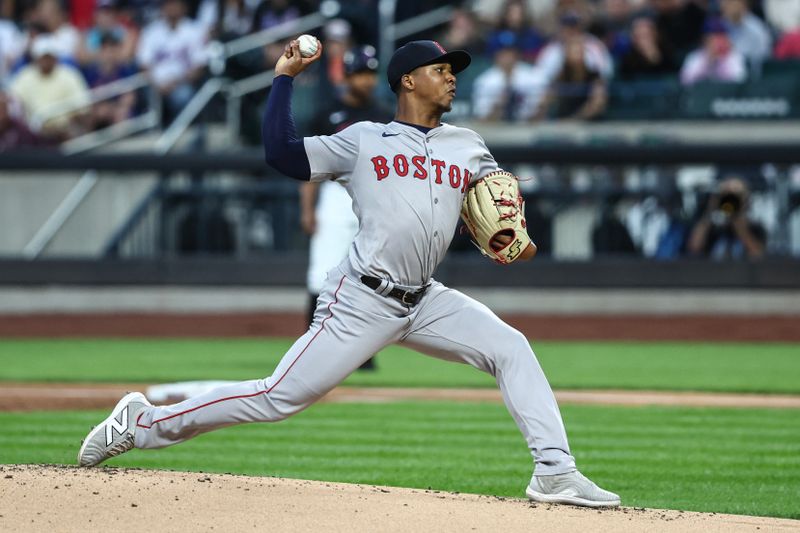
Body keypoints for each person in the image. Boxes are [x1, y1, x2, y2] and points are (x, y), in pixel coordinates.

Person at [78, 38, 621, 509]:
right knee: (276, 397)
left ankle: (554, 471)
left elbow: (501, 219)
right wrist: (284, 79)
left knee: (511, 347)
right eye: (440, 69)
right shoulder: (363, 139)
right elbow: (282, 155)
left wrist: (512, 239)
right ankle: (143, 423)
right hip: (362, 299)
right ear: (408, 80)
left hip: (426, 300)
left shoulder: (469, 144)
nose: (451, 76)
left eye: (453, 69)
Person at [301, 44, 392, 370]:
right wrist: (307, 209)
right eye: (360, 73)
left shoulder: (385, 115)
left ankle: (362, 352)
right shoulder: (327, 114)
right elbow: (310, 167)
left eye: (370, 73)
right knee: (322, 272)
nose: (366, 80)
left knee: (368, 276)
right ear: (347, 76)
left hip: (372, 200)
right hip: (336, 194)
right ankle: (312, 347)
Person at [136, 0, 207, 124]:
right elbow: (144, 64)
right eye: (168, 4)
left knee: (182, 96)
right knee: (143, 92)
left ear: (183, 7)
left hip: (182, 83)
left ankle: (185, 131)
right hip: (155, 84)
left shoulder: (195, 30)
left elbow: (199, 66)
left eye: (175, 4)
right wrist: (157, 84)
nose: (171, 8)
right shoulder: (151, 31)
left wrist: (176, 82)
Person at [9, 34, 90, 138]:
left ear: (55, 58)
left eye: (49, 57)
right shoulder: (25, 76)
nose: (46, 61)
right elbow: (13, 100)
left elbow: (82, 106)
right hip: (32, 132)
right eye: (43, 58)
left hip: (64, 130)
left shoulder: (69, 75)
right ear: (36, 58)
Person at [472, 30, 548, 121]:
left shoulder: (533, 76)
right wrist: (499, 105)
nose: (508, 56)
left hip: (527, 128)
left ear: (517, 54)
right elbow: (481, 119)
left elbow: (542, 108)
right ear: (495, 54)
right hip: (496, 131)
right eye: (503, 52)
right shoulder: (484, 81)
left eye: (511, 52)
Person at [687, 176, 766, 259]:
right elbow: (694, 248)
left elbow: (758, 255)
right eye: (726, 195)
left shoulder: (756, 228)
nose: (730, 200)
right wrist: (710, 211)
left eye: (736, 196)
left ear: (746, 200)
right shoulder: (714, 229)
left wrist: (739, 225)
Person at [680, 18, 747, 85]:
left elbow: (739, 80)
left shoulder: (734, 57)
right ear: (704, 39)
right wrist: (708, 62)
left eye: (720, 37)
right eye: (712, 38)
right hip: (702, 94)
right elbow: (685, 81)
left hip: (726, 94)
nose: (716, 42)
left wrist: (722, 61)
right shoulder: (694, 57)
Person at [719, 0, 772, 75]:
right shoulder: (719, 27)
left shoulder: (757, 31)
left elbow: (763, 64)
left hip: (750, 80)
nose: (724, 5)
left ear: (743, 4)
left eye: (729, 2)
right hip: (723, 79)